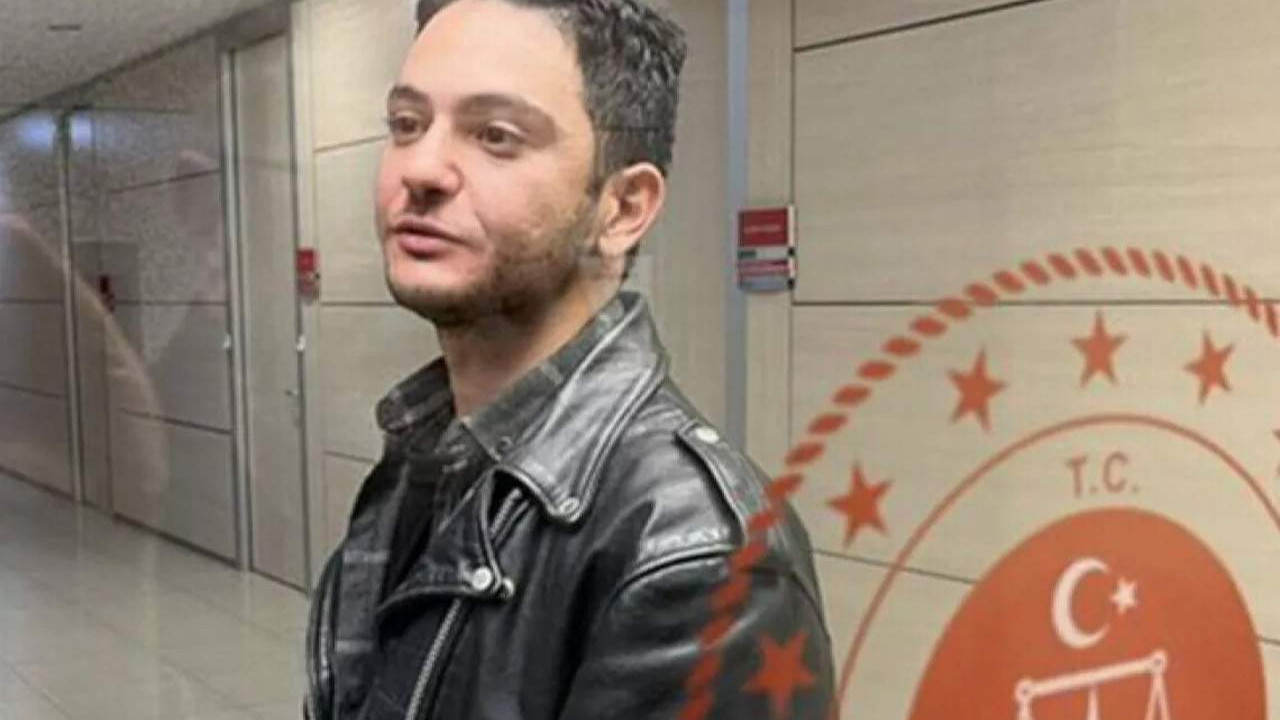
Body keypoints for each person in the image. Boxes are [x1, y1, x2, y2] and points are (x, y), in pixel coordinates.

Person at [304, 1, 833, 718]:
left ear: (623, 208)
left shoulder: (702, 558)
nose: (420, 168)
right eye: (406, 124)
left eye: (495, 135)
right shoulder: (426, 455)